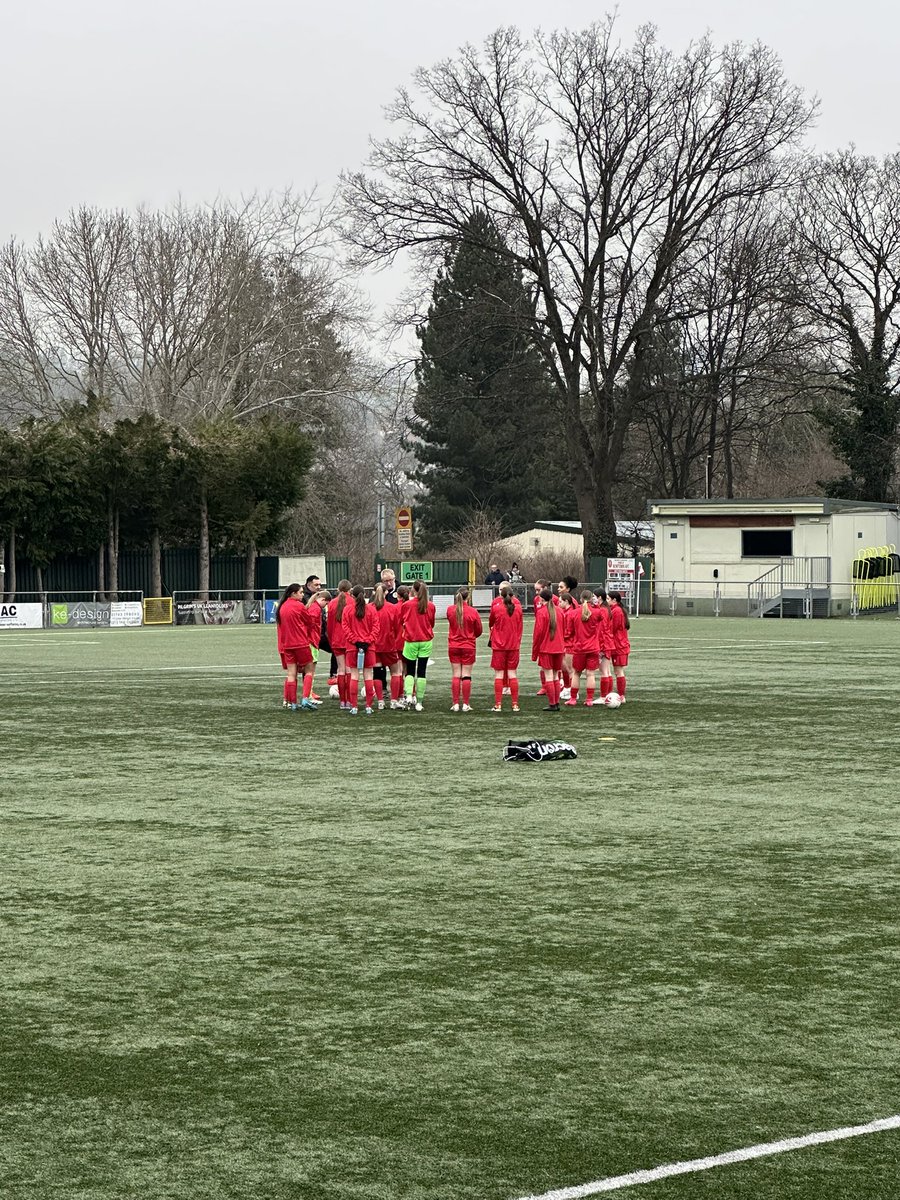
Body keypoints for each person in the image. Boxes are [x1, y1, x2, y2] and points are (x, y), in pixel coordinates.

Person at [275, 583, 317, 712]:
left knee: (291, 674)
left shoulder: (282, 607)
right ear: (293, 593)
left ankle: (292, 703)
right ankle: (305, 698)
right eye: (300, 592)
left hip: (287, 645)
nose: (302, 595)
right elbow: (309, 621)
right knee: (309, 670)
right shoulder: (299, 606)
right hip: (301, 643)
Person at [341, 585, 379, 715]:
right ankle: (368, 706)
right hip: (369, 648)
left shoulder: (347, 609)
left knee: (354, 675)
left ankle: (354, 706)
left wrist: (355, 641)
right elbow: (376, 628)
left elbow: (345, 628)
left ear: (352, 595)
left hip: (352, 647)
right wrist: (367, 641)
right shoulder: (371, 610)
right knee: (368, 676)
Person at [400, 580, 436, 711]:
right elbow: (431, 623)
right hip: (426, 641)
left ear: (413, 590)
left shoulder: (407, 605)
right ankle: (420, 702)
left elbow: (401, 620)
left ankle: (409, 695)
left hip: (411, 641)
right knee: (422, 672)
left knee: (409, 670)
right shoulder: (430, 606)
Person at [446, 586, 483, 712]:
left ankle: (455, 703)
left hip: (454, 645)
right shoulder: (473, 612)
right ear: (469, 597)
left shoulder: (450, 610)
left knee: (456, 674)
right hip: (468, 645)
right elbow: (478, 630)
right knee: (466, 675)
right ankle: (466, 704)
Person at [488, 581, 523, 712]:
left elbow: (491, 622)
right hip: (513, 645)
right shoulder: (518, 608)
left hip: (499, 646)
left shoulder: (496, 608)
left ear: (501, 596)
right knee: (513, 673)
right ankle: (515, 704)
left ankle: (498, 704)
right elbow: (520, 624)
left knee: (498, 674)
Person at [532, 586, 566, 711]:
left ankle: (552, 703)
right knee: (556, 675)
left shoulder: (541, 613)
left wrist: (534, 653)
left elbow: (538, 635)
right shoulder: (560, 611)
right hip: (559, 648)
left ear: (541, 599)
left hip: (546, 649)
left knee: (549, 676)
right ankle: (556, 703)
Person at [372, 584, 404, 709]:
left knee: (377, 673)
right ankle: (394, 701)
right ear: (386, 592)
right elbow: (397, 628)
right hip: (389, 645)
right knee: (395, 672)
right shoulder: (393, 608)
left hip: (374, 646)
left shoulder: (370, 608)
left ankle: (380, 701)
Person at [567, 589, 602, 706]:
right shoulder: (597, 612)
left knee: (576, 673)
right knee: (590, 674)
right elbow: (603, 618)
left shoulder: (573, 613)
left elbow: (570, 632)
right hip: (593, 647)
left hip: (579, 648)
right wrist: (596, 606)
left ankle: (573, 699)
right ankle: (589, 699)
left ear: (581, 599)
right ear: (592, 598)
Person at [326, 580, 352, 710]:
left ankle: (343, 701)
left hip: (337, 640)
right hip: (350, 640)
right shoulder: (352, 601)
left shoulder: (332, 603)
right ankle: (350, 699)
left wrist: (331, 640)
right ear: (349, 590)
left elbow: (329, 626)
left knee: (340, 670)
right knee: (349, 670)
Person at [305, 588, 330, 702]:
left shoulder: (313, 607)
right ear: (323, 600)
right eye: (326, 603)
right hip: (312, 641)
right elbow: (310, 624)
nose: (326, 606)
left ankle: (309, 693)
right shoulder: (316, 609)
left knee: (308, 670)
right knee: (311, 669)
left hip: (312, 640)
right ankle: (308, 695)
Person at [593, 587, 616, 703]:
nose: (593, 598)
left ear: (599, 597)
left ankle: (603, 696)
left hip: (604, 643)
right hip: (608, 642)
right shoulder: (607, 609)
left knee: (604, 671)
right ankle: (608, 695)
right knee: (607, 671)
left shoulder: (602, 610)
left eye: (594, 596)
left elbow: (601, 630)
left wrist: (600, 647)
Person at [608, 590, 631, 703]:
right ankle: (618, 694)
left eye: (608, 599)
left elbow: (613, 628)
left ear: (614, 600)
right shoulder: (616, 610)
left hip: (619, 646)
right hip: (618, 644)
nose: (606, 601)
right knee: (616, 671)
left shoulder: (616, 611)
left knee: (618, 671)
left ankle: (621, 695)